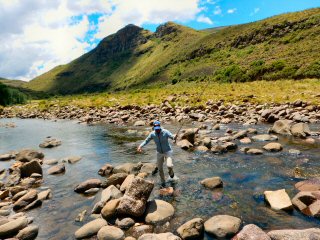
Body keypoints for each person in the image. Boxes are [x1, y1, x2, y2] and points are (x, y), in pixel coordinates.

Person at [137, 120, 177, 187]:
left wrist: (174, 137)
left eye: (158, 129)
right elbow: (146, 141)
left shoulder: (165, 132)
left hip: (168, 151)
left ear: (160, 127)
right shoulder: (152, 134)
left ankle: (171, 172)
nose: (157, 130)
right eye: (156, 129)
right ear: (154, 128)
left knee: (169, 165)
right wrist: (140, 146)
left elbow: (172, 136)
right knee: (160, 169)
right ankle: (163, 182)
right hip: (159, 153)